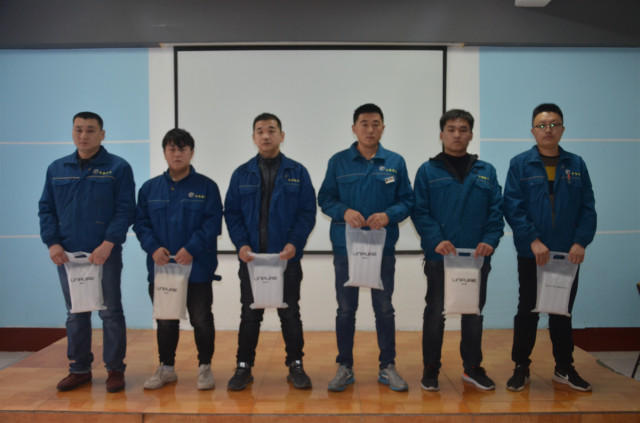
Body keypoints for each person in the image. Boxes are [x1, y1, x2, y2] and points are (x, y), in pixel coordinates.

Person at [318, 103, 414, 392]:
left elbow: (407, 200)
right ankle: (344, 367)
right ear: (354, 128)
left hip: (381, 248)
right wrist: (344, 211)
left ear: (383, 128)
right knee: (346, 309)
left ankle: (388, 367)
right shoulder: (338, 162)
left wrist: (389, 215)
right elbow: (325, 198)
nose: (370, 129)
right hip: (346, 248)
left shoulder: (395, 162)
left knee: (384, 309)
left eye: (375, 124)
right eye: (364, 124)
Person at [38, 111, 135, 393]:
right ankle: (79, 369)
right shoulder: (57, 168)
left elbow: (125, 209)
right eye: (78, 129)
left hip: (104, 253)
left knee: (110, 312)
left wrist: (109, 243)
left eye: (90, 130)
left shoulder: (118, 168)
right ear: (72, 132)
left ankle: (115, 369)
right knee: (76, 312)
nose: (84, 135)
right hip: (67, 255)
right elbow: (46, 209)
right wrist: (52, 243)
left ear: (102, 134)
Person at [504, 103, 597, 392]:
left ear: (562, 129)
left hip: (568, 255)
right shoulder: (520, 164)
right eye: (542, 125)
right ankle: (521, 366)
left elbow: (588, 207)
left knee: (562, 311)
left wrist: (580, 242)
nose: (548, 130)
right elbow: (513, 206)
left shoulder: (577, 164)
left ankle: (564, 367)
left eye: (554, 124)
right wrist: (533, 240)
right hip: (532, 253)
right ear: (533, 131)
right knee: (527, 311)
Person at [411, 109, 504, 391]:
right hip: (441, 256)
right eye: (451, 129)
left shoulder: (486, 171)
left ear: (471, 135)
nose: (457, 135)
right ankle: (430, 369)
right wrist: (435, 240)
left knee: (473, 313)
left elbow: (496, 211)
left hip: (476, 257)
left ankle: (472, 368)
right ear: (441, 134)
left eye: (463, 129)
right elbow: (420, 211)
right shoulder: (427, 171)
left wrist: (490, 240)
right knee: (435, 314)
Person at [224, 113, 316, 390]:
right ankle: (243, 366)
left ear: (281, 136)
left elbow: (307, 213)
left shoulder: (298, 172)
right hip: (252, 259)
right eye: (260, 131)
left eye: (272, 130)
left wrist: (294, 244)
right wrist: (241, 244)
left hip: (285, 259)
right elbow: (232, 214)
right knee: (250, 314)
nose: (266, 135)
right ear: (253, 137)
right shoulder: (241, 174)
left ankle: (296, 364)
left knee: (290, 313)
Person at [133, 128, 223, 391]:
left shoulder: (207, 187)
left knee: (201, 319)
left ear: (191, 153)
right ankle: (166, 368)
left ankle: (204, 367)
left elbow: (212, 223)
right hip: (163, 270)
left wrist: (191, 248)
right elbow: (141, 223)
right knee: (165, 319)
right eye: (172, 149)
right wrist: (153, 248)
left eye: (182, 149)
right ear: (164, 153)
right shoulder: (150, 189)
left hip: (197, 268)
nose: (177, 154)